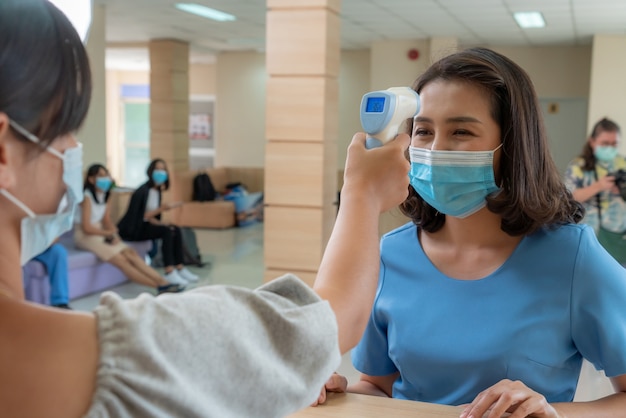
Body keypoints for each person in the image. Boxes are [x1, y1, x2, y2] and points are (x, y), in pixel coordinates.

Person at [0, 1, 411, 416]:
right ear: (3, 150)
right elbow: (330, 320)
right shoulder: (136, 356)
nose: (73, 150)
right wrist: (362, 193)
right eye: (65, 129)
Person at [317, 47, 626, 417]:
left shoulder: (572, 257)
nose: (435, 150)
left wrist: (550, 413)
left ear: (510, 146)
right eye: (424, 131)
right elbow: (378, 386)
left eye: (461, 131)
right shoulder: (388, 255)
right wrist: (337, 392)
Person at [74, 163, 184, 294]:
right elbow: (87, 228)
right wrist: (107, 233)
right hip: (85, 235)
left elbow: (106, 220)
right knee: (122, 261)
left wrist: (114, 234)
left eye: (106, 175)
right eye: (101, 176)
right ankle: (158, 286)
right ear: (91, 179)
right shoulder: (87, 197)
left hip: (100, 232)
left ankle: (163, 281)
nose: (106, 179)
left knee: (130, 253)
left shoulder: (106, 194)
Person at [117, 158, 199, 285]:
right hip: (134, 229)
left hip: (145, 226)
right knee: (166, 232)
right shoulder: (143, 191)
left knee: (174, 229)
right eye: (158, 169)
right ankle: (169, 271)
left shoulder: (157, 191)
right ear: (151, 172)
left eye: (163, 170)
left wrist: (162, 223)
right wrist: (162, 209)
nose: (161, 173)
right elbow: (140, 216)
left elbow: (150, 218)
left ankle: (180, 267)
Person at [565, 118, 626, 263]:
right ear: (592, 142)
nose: (610, 148)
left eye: (614, 144)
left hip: (618, 236)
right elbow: (568, 198)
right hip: (589, 236)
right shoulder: (578, 166)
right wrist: (599, 186)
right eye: (605, 143)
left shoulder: (622, 163)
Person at [31, 242, 72, 309]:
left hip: (42, 246)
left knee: (59, 251)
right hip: (23, 246)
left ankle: (60, 303)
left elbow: (55, 237)